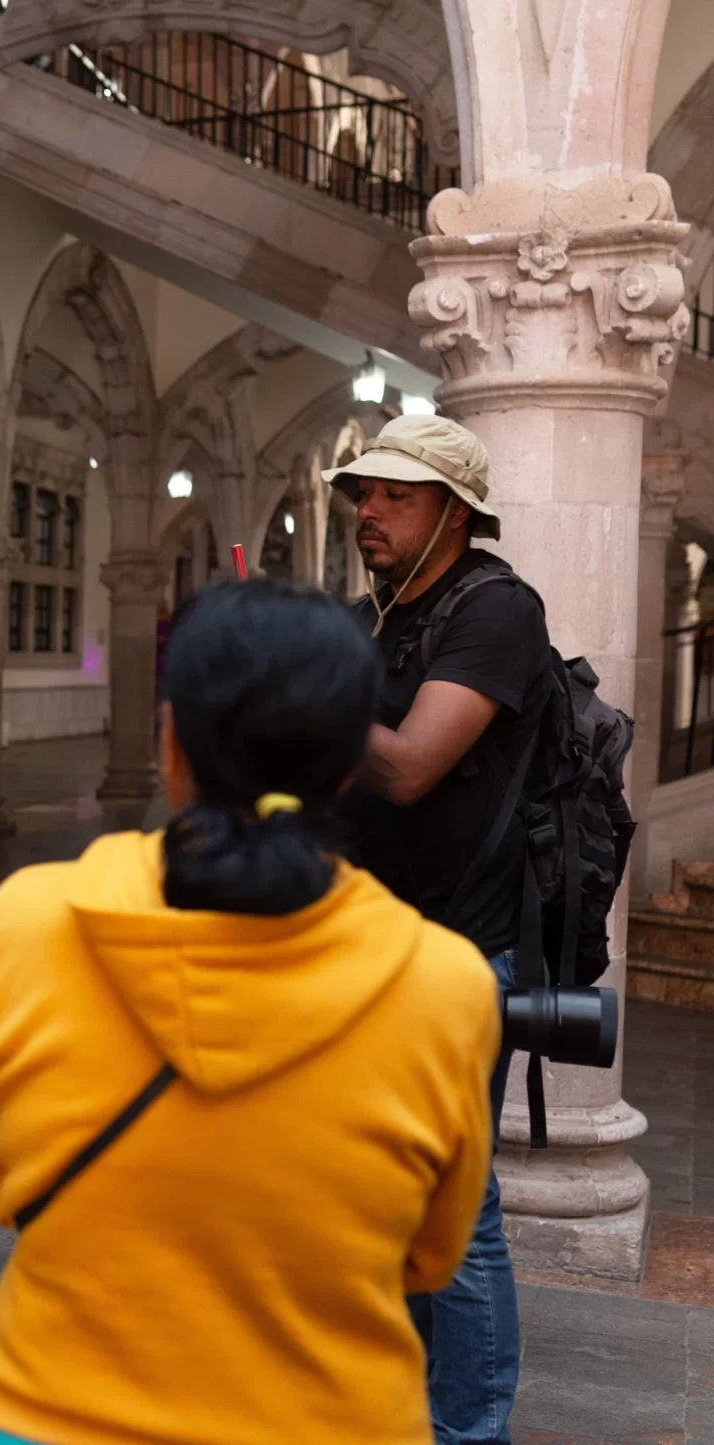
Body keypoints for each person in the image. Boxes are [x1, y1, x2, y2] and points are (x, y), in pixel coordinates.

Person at [0, 580, 500, 1445]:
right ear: (345, 765)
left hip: (50, 1414)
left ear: (171, 742)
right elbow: (432, 1253)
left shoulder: (30, 918)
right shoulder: (446, 983)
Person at [326, 412, 547, 1445]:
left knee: (457, 1210)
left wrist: (296, 696)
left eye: (394, 495)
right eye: (362, 491)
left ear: (452, 512)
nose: (366, 510)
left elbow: (409, 763)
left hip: (459, 949)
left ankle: (467, 1432)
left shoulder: (494, 608)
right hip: (372, 944)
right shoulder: (378, 612)